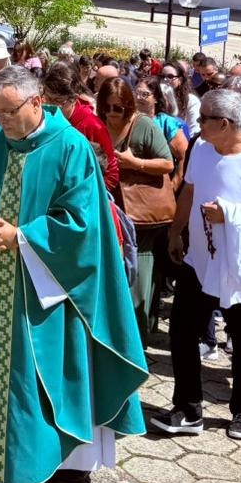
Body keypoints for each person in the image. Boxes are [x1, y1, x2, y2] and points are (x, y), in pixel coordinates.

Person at [0, 66, 145, 483]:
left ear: (37, 102)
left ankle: (66, 464)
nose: (0, 121)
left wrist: (21, 236)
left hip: (51, 288)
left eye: (8, 112)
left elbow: (82, 223)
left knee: (50, 376)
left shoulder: (71, 147)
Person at [153, 89, 241, 440]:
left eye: (204, 119)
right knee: (182, 334)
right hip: (200, 261)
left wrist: (230, 215)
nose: (198, 125)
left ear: (226, 124)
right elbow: (189, 190)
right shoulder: (201, 147)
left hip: (240, 267)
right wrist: (176, 230)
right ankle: (187, 409)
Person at [98, 77, 174, 343]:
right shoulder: (99, 124)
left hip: (140, 217)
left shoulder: (144, 125)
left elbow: (167, 164)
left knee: (138, 278)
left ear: (128, 105)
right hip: (109, 210)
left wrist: (135, 163)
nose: (111, 113)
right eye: (106, 107)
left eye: (118, 108)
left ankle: (135, 339)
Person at [39, 63, 119, 192]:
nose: (51, 106)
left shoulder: (93, 126)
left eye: (58, 101)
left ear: (74, 99)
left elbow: (112, 172)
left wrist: (92, 198)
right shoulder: (44, 119)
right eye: (47, 99)